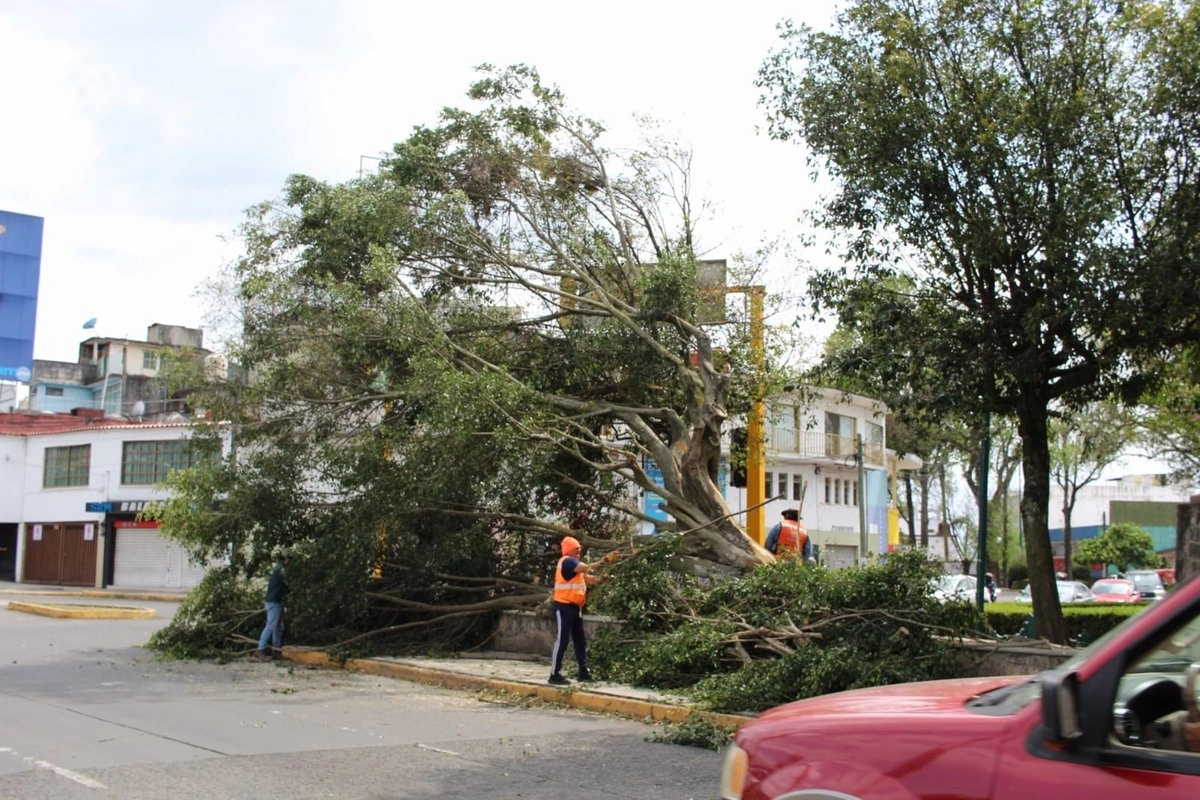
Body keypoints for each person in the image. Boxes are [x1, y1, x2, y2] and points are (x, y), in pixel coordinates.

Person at [548, 535, 599, 686]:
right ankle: (554, 674)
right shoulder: (567, 561)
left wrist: (602, 578)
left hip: (575, 607)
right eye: (576, 550)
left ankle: (583, 671)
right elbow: (585, 567)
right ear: (570, 550)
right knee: (562, 640)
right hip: (564, 606)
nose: (579, 552)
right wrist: (604, 561)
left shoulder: (574, 565)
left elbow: (588, 577)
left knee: (580, 640)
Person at [253, 548, 291, 661]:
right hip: (274, 602)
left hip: (276, 601)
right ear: (287, 558)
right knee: (271, 625)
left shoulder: (278, 568)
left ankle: (276, 650)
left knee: (277, 627)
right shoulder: (281, 569)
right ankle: (260, 649)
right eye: (290, 559)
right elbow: (288, 584)